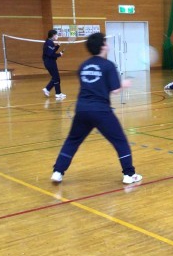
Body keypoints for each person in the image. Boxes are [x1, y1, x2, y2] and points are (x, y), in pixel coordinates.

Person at [51, 32, 142, 185]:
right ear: (103, 46)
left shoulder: (83, 66)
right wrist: (124, 84)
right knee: (120, 141)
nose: (108, 45)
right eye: (106, 42)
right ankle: (129, 174)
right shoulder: (108, 65)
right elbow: (115, 90)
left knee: (72, 140)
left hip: (82, 109)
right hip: (101, 111)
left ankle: (58, 172)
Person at [42, 29, 66, 100]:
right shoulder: (49, 43)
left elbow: (52, 51)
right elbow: (51, 54)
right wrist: (59, 55)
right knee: (56, 77)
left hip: (50, 62)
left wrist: (58, 46)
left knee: (55, 77)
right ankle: (58, 93)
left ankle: (47, 89)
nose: (57, 36)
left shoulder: (49, 42)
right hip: (50, 62)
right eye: (56, 34)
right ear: (53, 35)